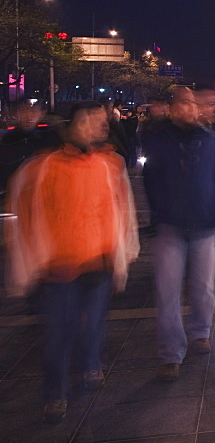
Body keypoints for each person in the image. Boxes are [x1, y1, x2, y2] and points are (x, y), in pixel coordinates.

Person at [5, 101, 139, 422]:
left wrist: (122, 253)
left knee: (93, 325)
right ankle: (55, 393)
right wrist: (26, 265)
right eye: (89, 121)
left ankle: (92, 363)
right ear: (71, 127)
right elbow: (22, 215)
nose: (98, 126)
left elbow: (122, 212)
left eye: (101, 121)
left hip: (98, 263)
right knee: (57, 334)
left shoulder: (109, 165)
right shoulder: (42, 168)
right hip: (58, 268)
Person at [142, 87, 215, 380]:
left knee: (203, 286)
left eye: (192, 104)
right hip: (170, 224)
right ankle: (171, 352)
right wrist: (160, 208)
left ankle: (201, 331)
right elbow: (151, 178)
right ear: (172, 108)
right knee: (167, 291)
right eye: (182, 103)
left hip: (205, 223)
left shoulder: (214, 141)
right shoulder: (159, 140)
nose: (189, 109)